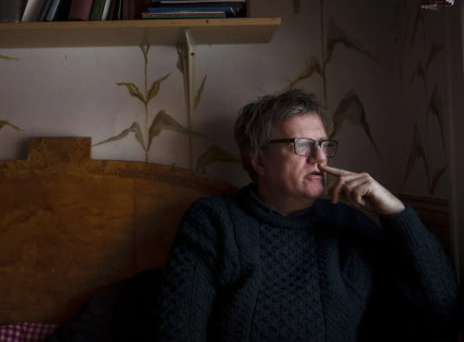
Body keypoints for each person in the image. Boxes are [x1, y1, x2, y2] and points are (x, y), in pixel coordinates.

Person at [156, 88, 461, 341]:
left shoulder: (348, 224)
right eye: (303, 145)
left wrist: (396, 212)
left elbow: (442, 307)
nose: (321, 158)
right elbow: (179, 331)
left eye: (324, 145)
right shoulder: (212, 221)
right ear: (259, 161)